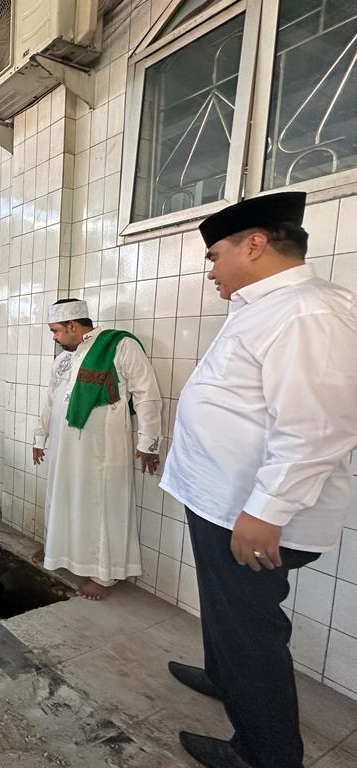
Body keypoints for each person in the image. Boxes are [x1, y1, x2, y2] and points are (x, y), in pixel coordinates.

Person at [160, 192, 357, 768]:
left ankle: (265, 754)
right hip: (222, 500)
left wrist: (266, 511)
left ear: (255, 243)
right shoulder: (263, 306)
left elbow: (317, 426)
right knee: (228, 615)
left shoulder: (308, 312)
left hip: (251, 512)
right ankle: (224, 677)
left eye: (215, 255)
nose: (211, 269)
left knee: (251, 631)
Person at [32, 298, 161, 601]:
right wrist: (40, 438)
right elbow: (50, 402)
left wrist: (148, 443)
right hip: (65, 449)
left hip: (102, 450)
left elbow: (147, 394)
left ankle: (103, 575)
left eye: (56, 331)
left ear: (73, 325)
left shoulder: (119, 346)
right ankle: (57, 548)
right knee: (62, 497)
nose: (54, 337)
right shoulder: (64, 359)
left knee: (101, 505)